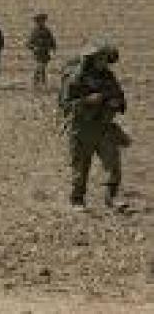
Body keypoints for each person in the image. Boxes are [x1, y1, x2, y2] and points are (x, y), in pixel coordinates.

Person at [58, 39, 129, 211]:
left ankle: (111, 198)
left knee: (113, 164)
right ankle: (77, 200)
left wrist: (116, 103)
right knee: (81, 167)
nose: (104, 62)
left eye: (106, 58)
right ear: (92, 58)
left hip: (104, 127)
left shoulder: (109, 77)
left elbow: (121, 98)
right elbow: (65, 105)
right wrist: (87, 100)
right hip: (81, 128)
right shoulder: (75, 79)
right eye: (100, 58)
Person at [26, 13, 57, 87]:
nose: (42, 22)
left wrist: (53, 48)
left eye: (43, 21)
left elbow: (52, 40)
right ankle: (38, 81)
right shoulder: (35, 31)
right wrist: (34, 48)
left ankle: (40, 82)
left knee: (43, 68)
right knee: (40, 67)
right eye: (40, 21)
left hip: (45, 52)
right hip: (38, 53)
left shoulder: (47, 30)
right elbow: (29, 44)